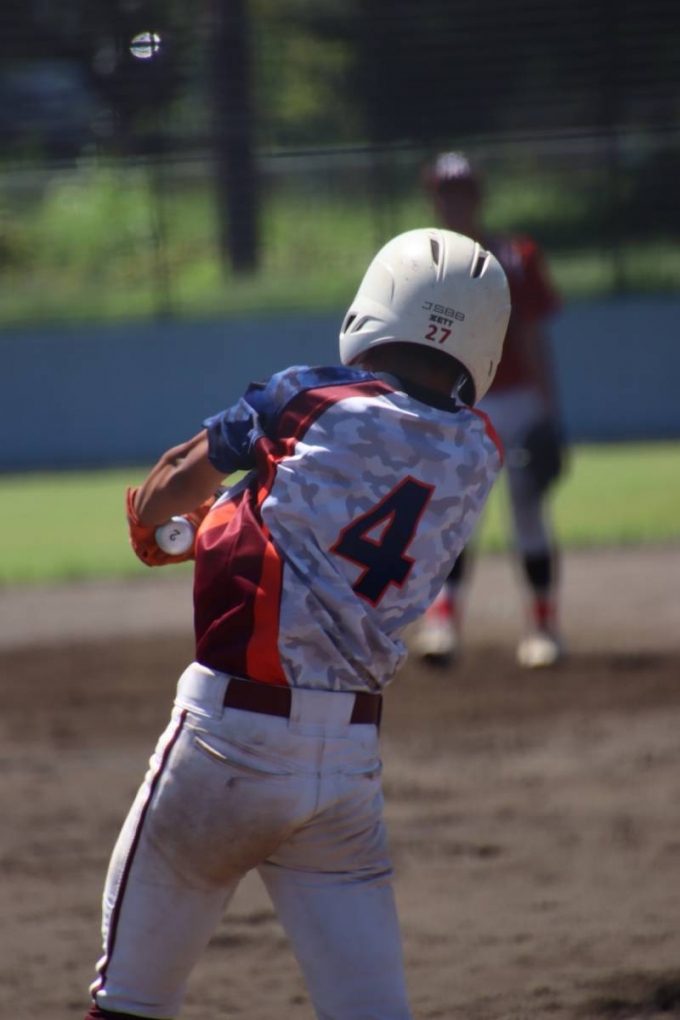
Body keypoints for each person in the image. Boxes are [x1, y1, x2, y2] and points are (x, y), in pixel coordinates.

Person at [83, 227, 510, 1020]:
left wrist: (163, 520)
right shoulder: (480, 450)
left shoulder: (307, 397)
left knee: (130, 1003)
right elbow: (333, 519)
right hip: (346, 771)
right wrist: (232, 519)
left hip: (224, 747)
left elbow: (174, 483)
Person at [413, 151, 567, 669]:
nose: (454, 201)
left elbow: (533, 337)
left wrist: (549, 413)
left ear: (479, 197)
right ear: (433, 198)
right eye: (445, 192)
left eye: (463, 191)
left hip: (518, 399)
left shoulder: (516, 255)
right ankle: (442, 624)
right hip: (457, 403)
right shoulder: (422, 259)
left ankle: (543, 628)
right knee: (451, 515)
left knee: (527, 509)